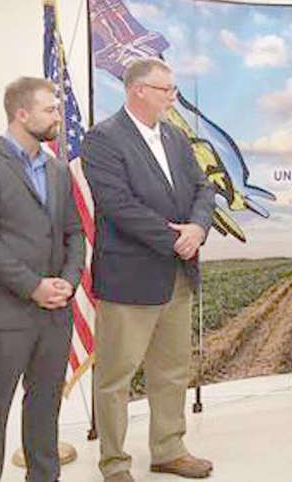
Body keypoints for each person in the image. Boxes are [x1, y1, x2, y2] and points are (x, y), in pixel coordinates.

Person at [82, 57, 215, 481]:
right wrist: (174, 238)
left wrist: (197, 227)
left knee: (172, 370)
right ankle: (114, 462)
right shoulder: (103, 139)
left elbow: (203, 188)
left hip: (177, 275)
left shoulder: (175, 137)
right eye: (166, 90)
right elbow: (118, 205)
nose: (173, 97)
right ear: (138, 90)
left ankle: (169, 449)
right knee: (115, 377)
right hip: (129, 279)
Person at [0, 77, 85, 482]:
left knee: (45, 408)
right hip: (5, 313)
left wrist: (68, 282)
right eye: (50, 109)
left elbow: (74, 233)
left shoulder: (58, 170)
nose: (58, 116)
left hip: (56, 313)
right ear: (22, 114)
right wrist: (33, 287)